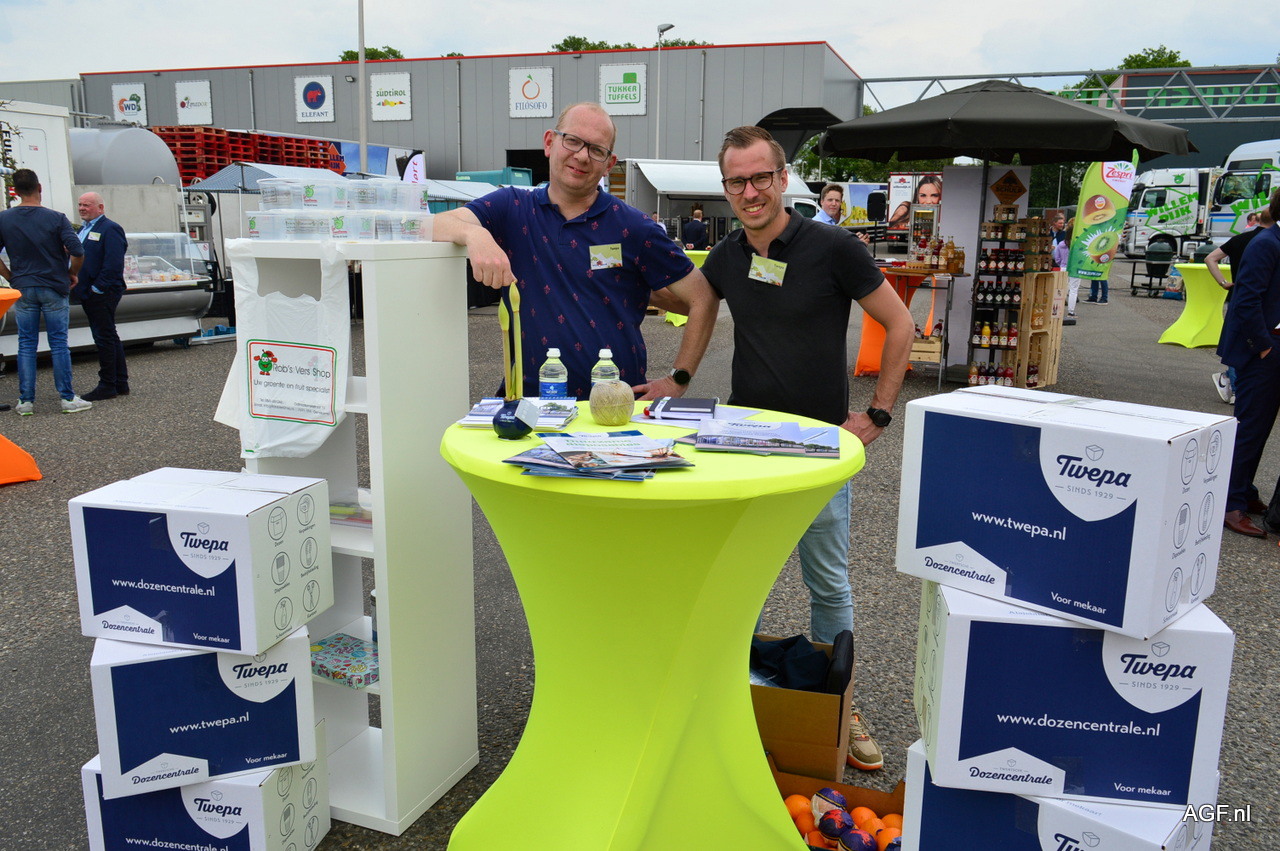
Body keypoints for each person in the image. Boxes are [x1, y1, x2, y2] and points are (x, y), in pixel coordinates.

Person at [701, 126, 914, 772]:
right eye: (737, 181)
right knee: (741, 582)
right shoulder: (727, 256)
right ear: (726, 188)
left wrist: (878, 413)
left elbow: (899, 323)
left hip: (819, 451)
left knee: (827, 582)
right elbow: (684, 303)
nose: (750, 191)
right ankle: (731, 699)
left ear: (783, 177)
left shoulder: (833, 246)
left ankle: (837, 704)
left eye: (760, 177)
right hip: (746, 452)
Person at [432, 102, 717, 400]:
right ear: (549, 142)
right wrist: (474, 233)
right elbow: (432, 224)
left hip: (614, 407)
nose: (582, 156)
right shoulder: (511, 208)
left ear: (609, 163)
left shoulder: (634, 227)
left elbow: (702, 300)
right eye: (573, 140)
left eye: (596, 149)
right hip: (530, 404)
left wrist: (677, 379)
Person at [0, 169, 92, 414]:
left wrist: (10, 277)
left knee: (26, 343)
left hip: (23, 286)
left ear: (15, 191)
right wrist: (72, 273)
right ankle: (67, 398)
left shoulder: (4, 219)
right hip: (54, 285)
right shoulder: (56, 218)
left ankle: (26, 401)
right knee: (59, 342)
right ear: (39, 187)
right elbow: (78, 251)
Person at [1216, 189, 1280, 539]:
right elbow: (1245, 299)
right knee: (1250, 428)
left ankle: (1246, 492)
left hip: (1272, 345)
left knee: (1261, 427)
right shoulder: (1266, 243)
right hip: (1266, 349)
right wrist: (1263, 346)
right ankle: (1230, 504)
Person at [1207, 207, 1273, 404]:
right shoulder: (1270, 242)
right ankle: (1237, 385)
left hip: (1238, 293)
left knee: (1236, 339)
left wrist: (1223, 282)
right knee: (1257, 339)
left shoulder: (1241, 239)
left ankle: (1234, 384)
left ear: (1257, 220)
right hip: (1264, 298)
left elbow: (1210, 258)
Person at [74, 191, 130, 400]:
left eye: (87, 205)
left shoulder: (110, 228)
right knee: (109, 336)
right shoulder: (83, 229)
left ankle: (107, 384)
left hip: (102, 292)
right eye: (80, 205)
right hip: (88, 291)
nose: (82, 208)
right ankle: (120, 382)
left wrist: (97, 289)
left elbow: (113, 263)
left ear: (100, 207)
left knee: (103, 337)